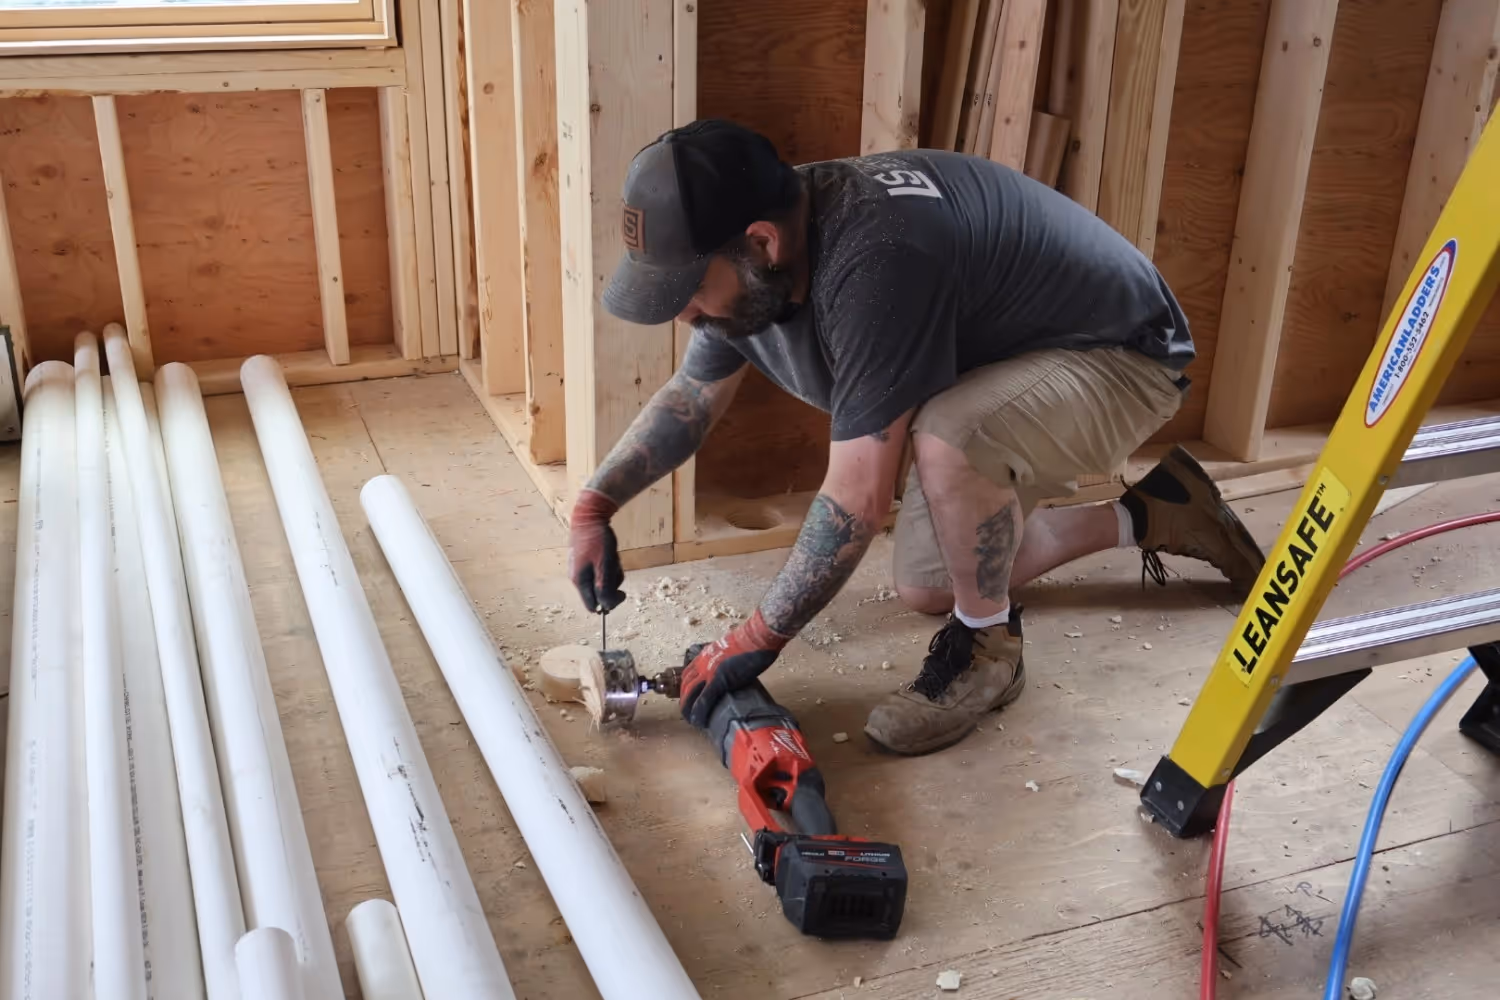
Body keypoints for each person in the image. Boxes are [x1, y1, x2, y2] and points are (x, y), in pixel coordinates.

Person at [566, 119, 1264, 756]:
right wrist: (595, 505)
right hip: (1013, 358)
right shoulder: (760, 268)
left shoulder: (877, 257)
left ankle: (989, 649)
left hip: (1124, 357)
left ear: (762, 243)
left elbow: (857, 498)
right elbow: (692, 398)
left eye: (688, 287)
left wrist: (750, 643)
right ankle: (1157, 510)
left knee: (951, 435)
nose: (682, 310)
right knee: (933, 582)